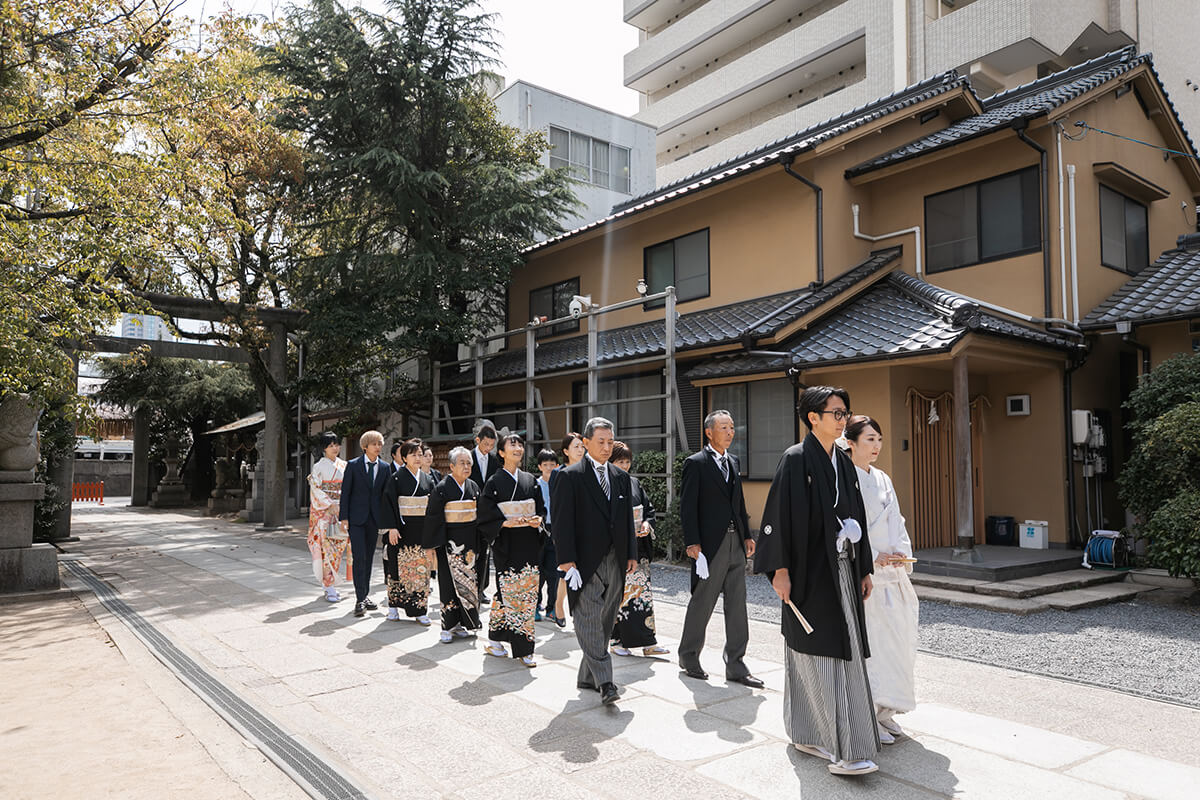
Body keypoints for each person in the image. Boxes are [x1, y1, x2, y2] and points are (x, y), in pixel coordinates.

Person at [755, 386, 879, 777]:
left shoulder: (842, 461)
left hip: (841, 566)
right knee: (815, 649)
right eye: (837, 413)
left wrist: (864, 567)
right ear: (813, 418)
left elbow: (855, 510)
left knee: (848, 648)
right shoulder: (795, 459)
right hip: (809, 570)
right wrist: (780, 570)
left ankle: (839, 737)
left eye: (846, 413)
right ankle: (832, 743)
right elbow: (778, 516)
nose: (843, 420)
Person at [551, 417, 637, 705]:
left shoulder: (621, 476)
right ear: (585, 442)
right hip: (584, 561)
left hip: (616, 558)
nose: (606, 447)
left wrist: (631, 554)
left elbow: (626, 520)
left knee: (605, 618)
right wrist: (567, 561)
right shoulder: (569, 476)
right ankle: (606, 682)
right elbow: (562, 523)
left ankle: (587, 677)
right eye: (600, 441)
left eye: (610, 441)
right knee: (588, 619)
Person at [845, 415, 918, 744]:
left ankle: (887, 711)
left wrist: (901, 553)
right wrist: (871, 557)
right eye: (869, 439)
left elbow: (897, 521)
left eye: (879, 439)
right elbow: (844, 528)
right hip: (868, 574)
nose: (876, 446)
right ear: (851, 442)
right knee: (872, 645)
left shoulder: (884, 478)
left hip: (892, 572)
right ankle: (867, 714)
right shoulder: (844, 479)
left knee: (896, 643)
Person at [677, 410, 763, 689]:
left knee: (737, 604)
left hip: (735, 542)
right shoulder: (695, 463)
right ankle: (689, 656)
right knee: (703, 602)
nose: (730, 432)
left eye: (732, 427)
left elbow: (738, 501)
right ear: (709, 432)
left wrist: (747, 535)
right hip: (709, 546)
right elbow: (688, 506)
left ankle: (736, 664)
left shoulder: (734, 462)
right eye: (724, 427)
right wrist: (692, 542)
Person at [477, 434, 547, 667]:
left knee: (522, 593)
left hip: (528, 542)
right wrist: (504, 523)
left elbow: (542, 509)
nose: (518, 448)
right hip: (507, 544)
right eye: (512, 444)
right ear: (502, 452)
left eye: (520, 444)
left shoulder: (530, 480)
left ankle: (496, 641)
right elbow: (485, 513)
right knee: (512, 592)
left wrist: (539, 520)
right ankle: (525, 649)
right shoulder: (494, 482)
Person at [609, 441, 670, 658]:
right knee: (620, 596)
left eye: (627, 462)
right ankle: (616, 640)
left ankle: (648, 642)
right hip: (619, 549)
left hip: (639, 547)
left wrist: (646, 523)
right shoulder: (606, 484)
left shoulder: (634, 483)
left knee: (642, 596)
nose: (624, 466)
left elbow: (649, 508)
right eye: (620, 461)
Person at [424, 446, 484, 643]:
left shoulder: (474, 487)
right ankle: (448, 626)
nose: (466, 467)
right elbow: (433, 518)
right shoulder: (441, 489)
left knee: (469, 583)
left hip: (470, 543)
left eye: (469, 463)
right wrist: (432, 546)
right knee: (448, 584)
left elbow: (480, 516)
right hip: (449, 542)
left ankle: (465, 622)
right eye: (462, 463)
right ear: (451, 466)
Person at [338, 430, 400, 617]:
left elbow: (386, 496)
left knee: (369, 557)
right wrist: (344, 518)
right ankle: (359, 599)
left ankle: (364, 596)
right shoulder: (353, 465)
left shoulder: (384, 467)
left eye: (380, 443)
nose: (378, 447)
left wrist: (389, 521)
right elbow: (346, 492)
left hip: (374, 520)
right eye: (374, 444)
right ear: (365, 446)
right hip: (356, 519)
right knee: (359, 557)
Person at [383, 438, 434, 625]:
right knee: (397, 568)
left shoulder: (428, 478)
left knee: (421, 570)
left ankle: (420, 609)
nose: (418, 458)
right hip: (402, 530)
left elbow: (433, 506)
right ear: (404, 458)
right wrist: (392, 527)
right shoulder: (396, 478)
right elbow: (388, 503)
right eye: (413, 454)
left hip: (422, 530)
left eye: (420, 454)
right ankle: (393, 607)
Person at [306, 432, 352, 603]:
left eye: (337, 444)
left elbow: (349, 489)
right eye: (331, 445)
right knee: (327, 550)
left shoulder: (345, 465)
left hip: (342, 512)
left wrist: (344, 506)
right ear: (324, 448)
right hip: (325, 514)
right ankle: (329, 585)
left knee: (338, 548)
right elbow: (316, 489)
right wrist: (330, 504)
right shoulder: (318, 467)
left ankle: (329, 584)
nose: (335, 448)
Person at [546, 431, 585, 626]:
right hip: (565, 528)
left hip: (586, 529)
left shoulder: (588, 470)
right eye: (575, 446)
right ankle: (558, 605)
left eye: (581, 446)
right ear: (565, 451)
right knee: (565, 570)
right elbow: (556, 505)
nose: (580, 450)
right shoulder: (558, 473)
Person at [470, 422, 502, 603]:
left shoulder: (495, 461)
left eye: (491, 445)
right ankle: (468, 586)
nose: (488, 448)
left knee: (484, 553)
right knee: (469, 552)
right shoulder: (467, 458)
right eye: (485, 445)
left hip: (486, 514)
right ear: (477, 440)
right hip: (468, 513)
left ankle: (481, 589)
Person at [534, 449, 560, 623]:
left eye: (552, 464)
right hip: (539, 531)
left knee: (554, 572)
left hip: (557, 531)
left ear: (557, 466)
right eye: (545, 465)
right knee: (538, 571)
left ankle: (552, 608)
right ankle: (536, 606)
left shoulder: (561, 483)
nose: (549, 468)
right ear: (539, 466)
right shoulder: (535, 485)